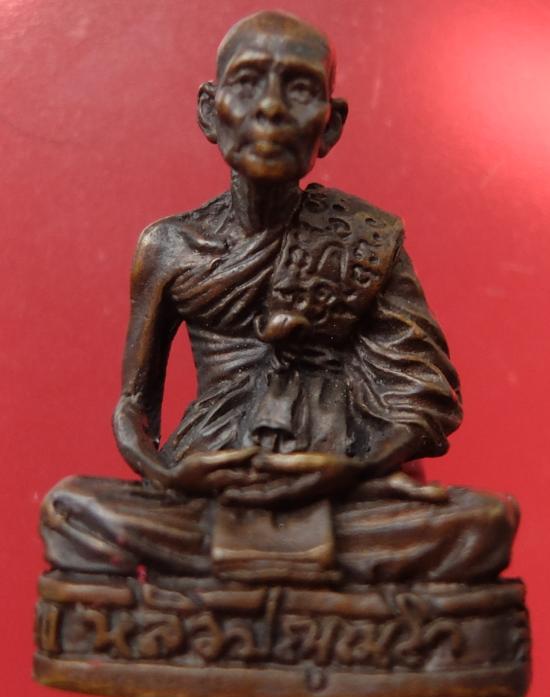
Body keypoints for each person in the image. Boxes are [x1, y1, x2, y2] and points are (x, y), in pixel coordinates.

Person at [40, 11, 518, 583]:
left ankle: (250, 573)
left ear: (330, 124)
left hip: (338, 487)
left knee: (484, 523)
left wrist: (353, 468)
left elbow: (422, 400)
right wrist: (167, 476)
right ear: (210, 110)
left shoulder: (365, 240)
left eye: (299, 89)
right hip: (210, 481)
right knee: (70, 509)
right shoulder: (168, 247)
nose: (270, 108)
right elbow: (134, 405)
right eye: (247, 83)